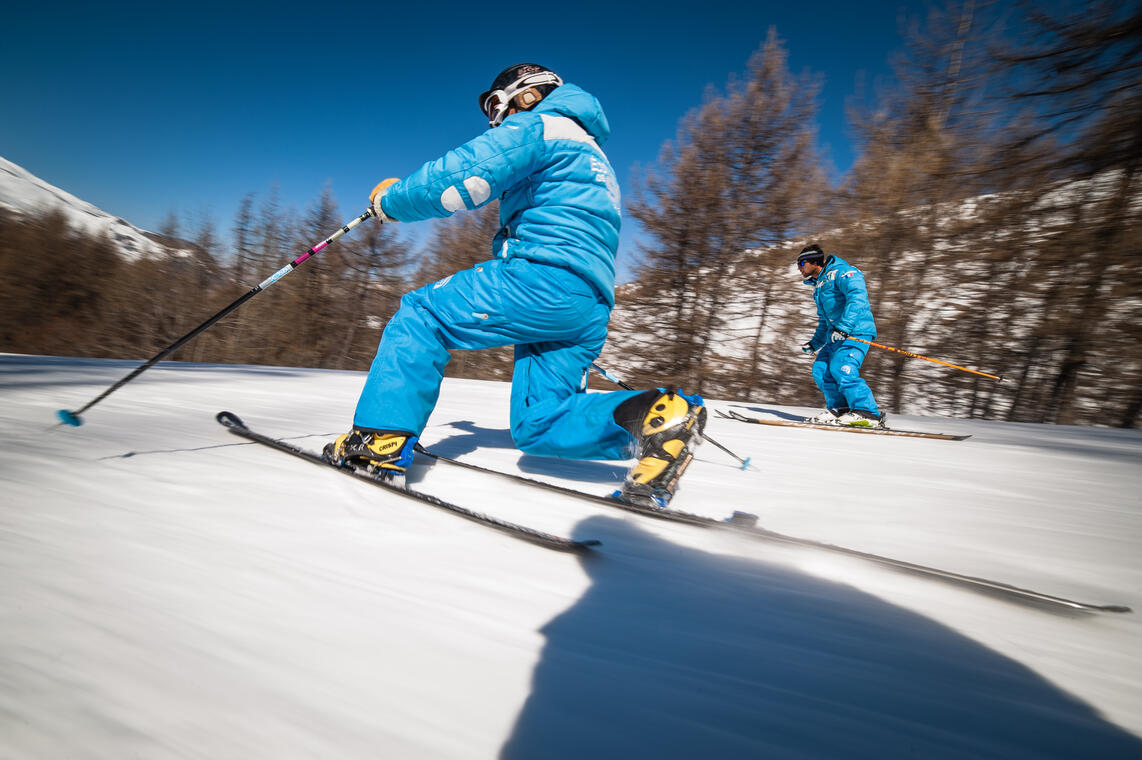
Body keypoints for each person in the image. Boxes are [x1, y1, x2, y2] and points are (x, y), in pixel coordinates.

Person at [324, 63, 705, 506]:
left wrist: (390, 201)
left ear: (522, 95)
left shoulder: (541, 125)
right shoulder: (593, 154)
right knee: (539, 424)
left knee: (421, 316)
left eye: (494, 104)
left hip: (540, 277)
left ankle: (378, 443)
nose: (493, 118)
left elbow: (461, 177)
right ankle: (658, 417)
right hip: (588, 302)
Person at [796, 244, 884, 428]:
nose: (799, 267)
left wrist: (844, 327)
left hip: (855, 331)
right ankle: (840, 408)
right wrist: (814, 343)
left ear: (814, 261)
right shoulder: (819, 286)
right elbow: (824, 320)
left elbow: (857, 297)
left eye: (802, 262)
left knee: (842, 368)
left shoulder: (843, 272)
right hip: (835, 336)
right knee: (821, 369)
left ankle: (868, 413)